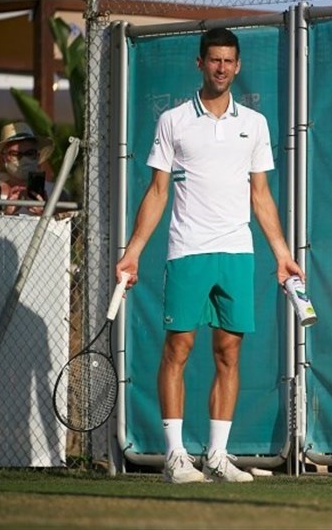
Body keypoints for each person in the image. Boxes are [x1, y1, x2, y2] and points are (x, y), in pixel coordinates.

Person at [115, 27, 303, 484]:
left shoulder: (254, 124)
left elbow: (261, 196)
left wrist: (282, 254)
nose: (221, 67)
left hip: (236, 252)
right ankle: (176, 457)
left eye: (228, 61)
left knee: (229, 352)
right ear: (199, 64)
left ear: (237, 67)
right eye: (213, 59)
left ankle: (217, 456)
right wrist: (132, 252)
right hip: (187, 251)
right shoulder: (173, 120)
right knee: (178, 348)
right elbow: (157, 191)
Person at [0, 121, 55, 216]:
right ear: (3, 158)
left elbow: (66, 229)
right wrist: (5, 213)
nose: (24, 159)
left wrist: (45, 215)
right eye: (15, 154)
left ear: (38, 156)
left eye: (30, 153)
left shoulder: (55, 193)